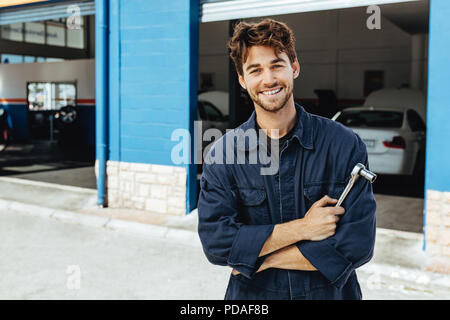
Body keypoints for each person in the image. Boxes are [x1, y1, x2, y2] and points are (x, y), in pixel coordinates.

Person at [197, 18, 376, 300]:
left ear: (294, 67)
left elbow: (357, 245)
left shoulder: (343, 144)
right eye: (255, 70)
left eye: (276, 65)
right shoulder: (223, 155)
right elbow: (217, 244)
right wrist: (303, 228)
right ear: (243, 80)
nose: (268, 79)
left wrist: (259, 258)